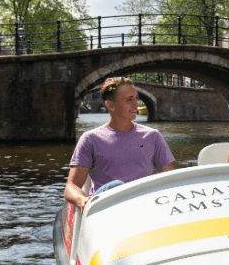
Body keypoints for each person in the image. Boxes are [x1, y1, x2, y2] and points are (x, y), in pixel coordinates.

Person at [64, 77, 174, 210]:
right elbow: (71, 187)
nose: (136, 105)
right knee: (115, 186)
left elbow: (171, 179)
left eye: (135, 98)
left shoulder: (153, 136)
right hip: (107, 208)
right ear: (111, 105)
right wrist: (81, 200)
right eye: (129, 100)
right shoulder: (90, 139)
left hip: (143, 206)